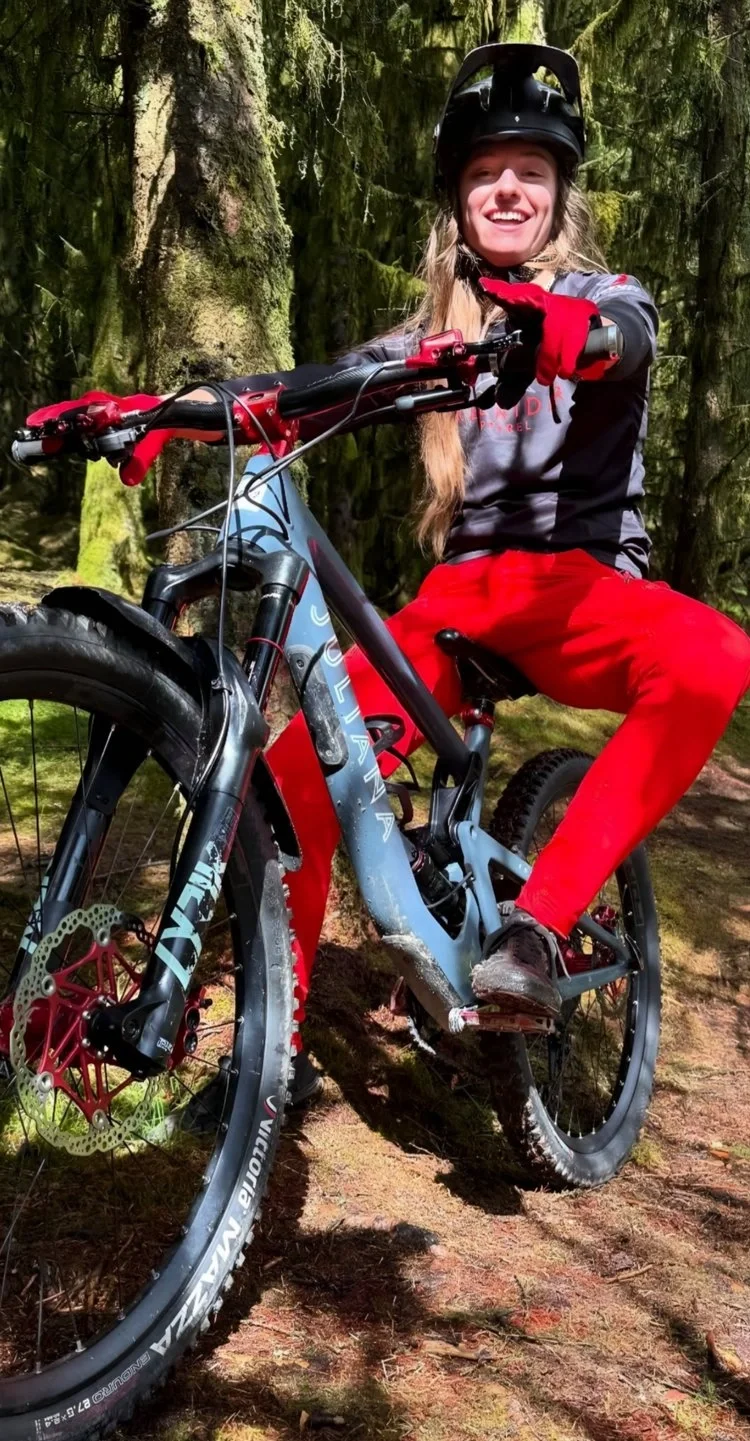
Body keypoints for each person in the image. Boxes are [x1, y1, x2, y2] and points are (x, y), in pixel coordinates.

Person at [26, 45, 750, 1097]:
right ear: (459, 199)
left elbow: (619, 340)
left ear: (559, 196)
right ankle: (270, 1051)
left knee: (714, 658)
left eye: (531, 171)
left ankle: (539, 927)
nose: (509, 188)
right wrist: (150, 412)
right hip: (459, 605)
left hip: (584, 590)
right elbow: (289, 391)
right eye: (486, 172)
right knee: (292, 784)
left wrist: (556, 330)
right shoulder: (428, 339)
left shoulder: (606, 293)